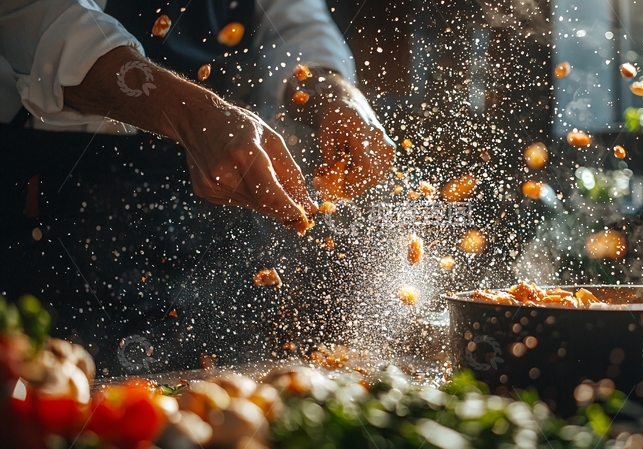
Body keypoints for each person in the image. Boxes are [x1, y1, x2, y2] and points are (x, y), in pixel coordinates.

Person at [0, 0, 395, 374]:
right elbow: (35, 21)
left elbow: (293, 20)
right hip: (62, 190)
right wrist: (194, 116)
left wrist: (334, 91)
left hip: (215, 192)